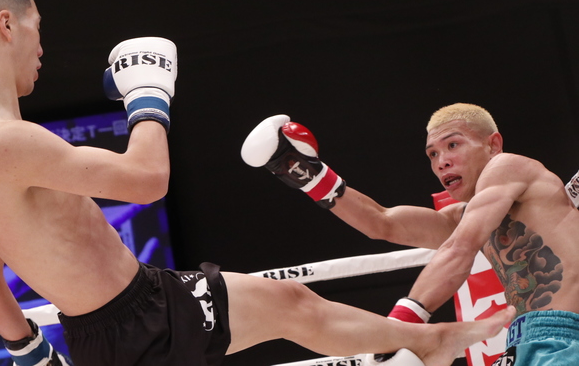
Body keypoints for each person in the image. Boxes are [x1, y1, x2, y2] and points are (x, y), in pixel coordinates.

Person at [0, 0, 513, 366]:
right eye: (36, 27)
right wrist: (149, 99)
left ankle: (428, 343)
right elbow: (146, 180)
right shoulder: (1, 140)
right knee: (291, 307)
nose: (41, 47)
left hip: (123, 321)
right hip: (135, 322)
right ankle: (430, 344)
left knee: (290, 303)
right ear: (6, 24)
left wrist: (32, 354)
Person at [243, 104, 579, 365]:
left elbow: (460, 247)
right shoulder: (461, 216)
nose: (442, 162)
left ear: (493, 145)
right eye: (433, 154)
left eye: (453, 144)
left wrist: (401, 324)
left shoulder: (508, 167)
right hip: (524, 339)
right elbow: (382, 223)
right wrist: (307, 174)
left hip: (565, 333)